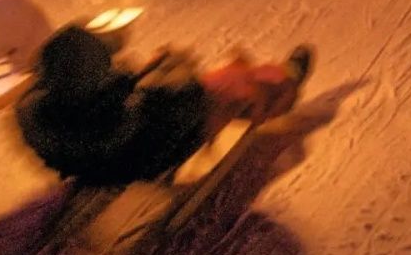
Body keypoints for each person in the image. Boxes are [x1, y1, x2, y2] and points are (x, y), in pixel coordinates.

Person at [17, 23, 313, 187]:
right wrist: (172, 76)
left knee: (204, 81)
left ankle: (265, 79)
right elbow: (153, 109)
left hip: (108, 161)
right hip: (153, 151)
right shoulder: (114, 119)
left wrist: (142, 77)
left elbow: (114, 98)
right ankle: (284, 80)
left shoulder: (43, 113)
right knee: (231, 87)